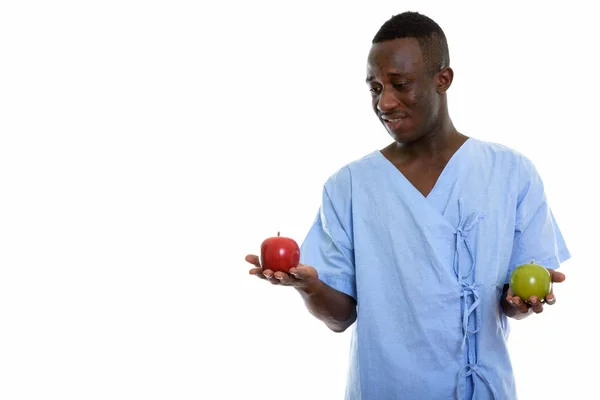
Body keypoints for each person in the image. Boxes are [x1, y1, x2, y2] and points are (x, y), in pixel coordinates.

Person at [246, 11, 570, 400]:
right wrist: (310, 287)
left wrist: (523, 302)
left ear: (443, 79)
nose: (385, 102)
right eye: (375, 88)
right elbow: (341, 317)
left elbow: (511, 301)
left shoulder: (511, 172)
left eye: (399, 84)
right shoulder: (349, 186)